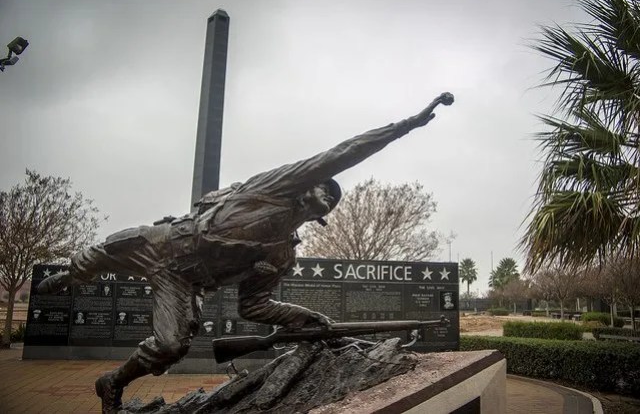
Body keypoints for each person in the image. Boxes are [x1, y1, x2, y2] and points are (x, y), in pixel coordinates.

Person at [36, 93, 453, 413]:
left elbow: (254, 305)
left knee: (171, 346)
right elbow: (342, 153)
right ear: (308, 184)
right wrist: (406, 126)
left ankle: (112, 382)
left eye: (332, 201)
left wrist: (302, 316)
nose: (326, 198)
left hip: (183, 280)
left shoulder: (283, 253)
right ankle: (69, 277)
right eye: (325, 187)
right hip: (164, 242)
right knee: (99, 255)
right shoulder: (273, 189)